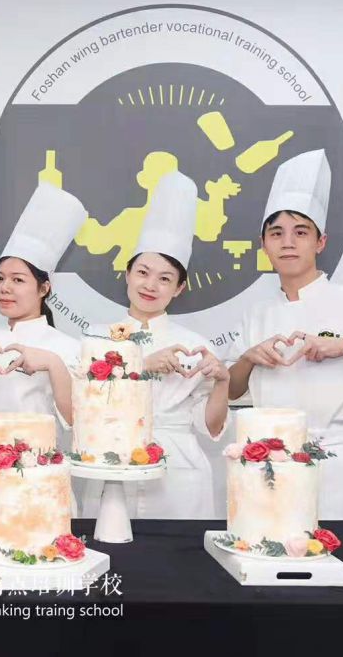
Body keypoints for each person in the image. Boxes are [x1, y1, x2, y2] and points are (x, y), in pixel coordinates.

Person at [227, 149, 343, 519]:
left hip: (339, 464)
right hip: (271, 461)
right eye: (276, 233)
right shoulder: (257, 315)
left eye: (301, 233)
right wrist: (249, 358)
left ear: (320, 242)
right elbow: (232, 391)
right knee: (272, 546)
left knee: (341, 549)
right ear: (263, 244)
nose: (287, 243)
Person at [80, 171, 229, 519]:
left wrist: (223, 382)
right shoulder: (96, 337)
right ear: (127, 274)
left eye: (165, 279)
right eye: (143, 272)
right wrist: (141, 364)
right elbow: (84, 405)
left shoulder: (195, 345)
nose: (150, 285)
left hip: (179, 468)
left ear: (179, 288)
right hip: (113, 459)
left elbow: (209, 426)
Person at [0, 182, 88, 517]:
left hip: (39, 481)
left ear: (44, 288)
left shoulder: (67, 348)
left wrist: (53, 365)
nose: (5, 288)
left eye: (18, 280)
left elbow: (80, 422)